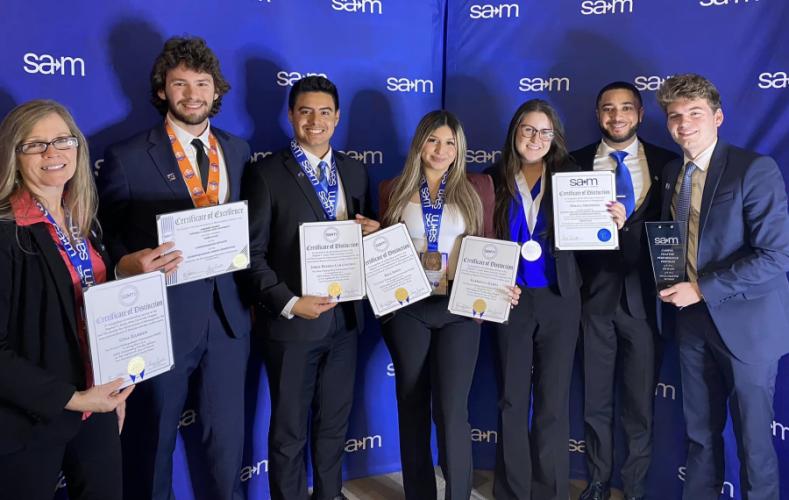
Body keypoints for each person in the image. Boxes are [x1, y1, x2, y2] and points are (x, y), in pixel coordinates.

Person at [96, 36, 252, 500]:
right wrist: (124, 264)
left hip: (229, 319)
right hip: (159, 321)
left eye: (202, 83)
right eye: (180, 83)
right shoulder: (126, 156)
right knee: (152, 441)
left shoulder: (239, 150)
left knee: (227, 443)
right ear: (162, 89)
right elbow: (101, 236)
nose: (192, 94)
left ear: (216, 90)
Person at [242, 75, 379, 500]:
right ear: (291, 115)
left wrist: (374, 233)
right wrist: (289, 303)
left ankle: (330, 494)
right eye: (305, 111)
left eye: (324, 112)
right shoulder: (265, 173)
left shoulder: (354, 171)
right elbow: (251, 255)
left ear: (337, 118)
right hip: (293, 325)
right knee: (289, 432)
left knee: (334, 424)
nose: (315, 121)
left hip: (345, 322)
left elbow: (363, 239)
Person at [656, 73, 789, 500]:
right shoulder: (672, 172)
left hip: (747, 325)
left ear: (718, 117)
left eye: (695, 113)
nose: (684, 124)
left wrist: (701, 289)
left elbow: (776, 256)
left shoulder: (754, 169)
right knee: (699, 435)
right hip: (692, 322)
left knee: (754, 441)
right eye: (675, 116)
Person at [0, 99, 134, 499]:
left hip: (96, 407)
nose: (52, 152)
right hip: (29, 419)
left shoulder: (82, 220)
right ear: (14, 155)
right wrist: (73, 398)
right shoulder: (6, 232)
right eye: (35, 145)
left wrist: (112, 390)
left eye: (63, 140)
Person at [379, 110, 501, 499]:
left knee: (452, 410)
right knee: (411, 406)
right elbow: (383, 249)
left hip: (459, 311)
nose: (441, 149)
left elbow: (490, 244)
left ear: (459, 148)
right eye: (433, 140)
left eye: (450, 142)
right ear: (420, 144)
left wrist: (500, 286)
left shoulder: (478, 187)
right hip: (409, 310)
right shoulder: (392, 189)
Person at [570, 82, 677, 500]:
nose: (617, 116)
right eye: (608, 108)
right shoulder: (573, 163)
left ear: (640, 114)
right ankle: (598, 481)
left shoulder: (668, 163)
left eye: (626, 108)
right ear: (598, 114)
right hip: (592, 301)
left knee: (639, 405)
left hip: (646, 303)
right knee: (595, 399)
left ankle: (634, 488)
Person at [487, 99, 585, 500]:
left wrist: (609, 222)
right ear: (515, 131)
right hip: (509, 299)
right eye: (528, 129)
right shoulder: (491, 179)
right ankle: (512, 491)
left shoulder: (572, 177)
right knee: (511, 400)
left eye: (545, 131)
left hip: (560, 298)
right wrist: (492, 281)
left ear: (555, 137)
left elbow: (591, 240)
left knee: (552, 402)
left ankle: (549, 492)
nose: (536, 138)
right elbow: (477, 238)